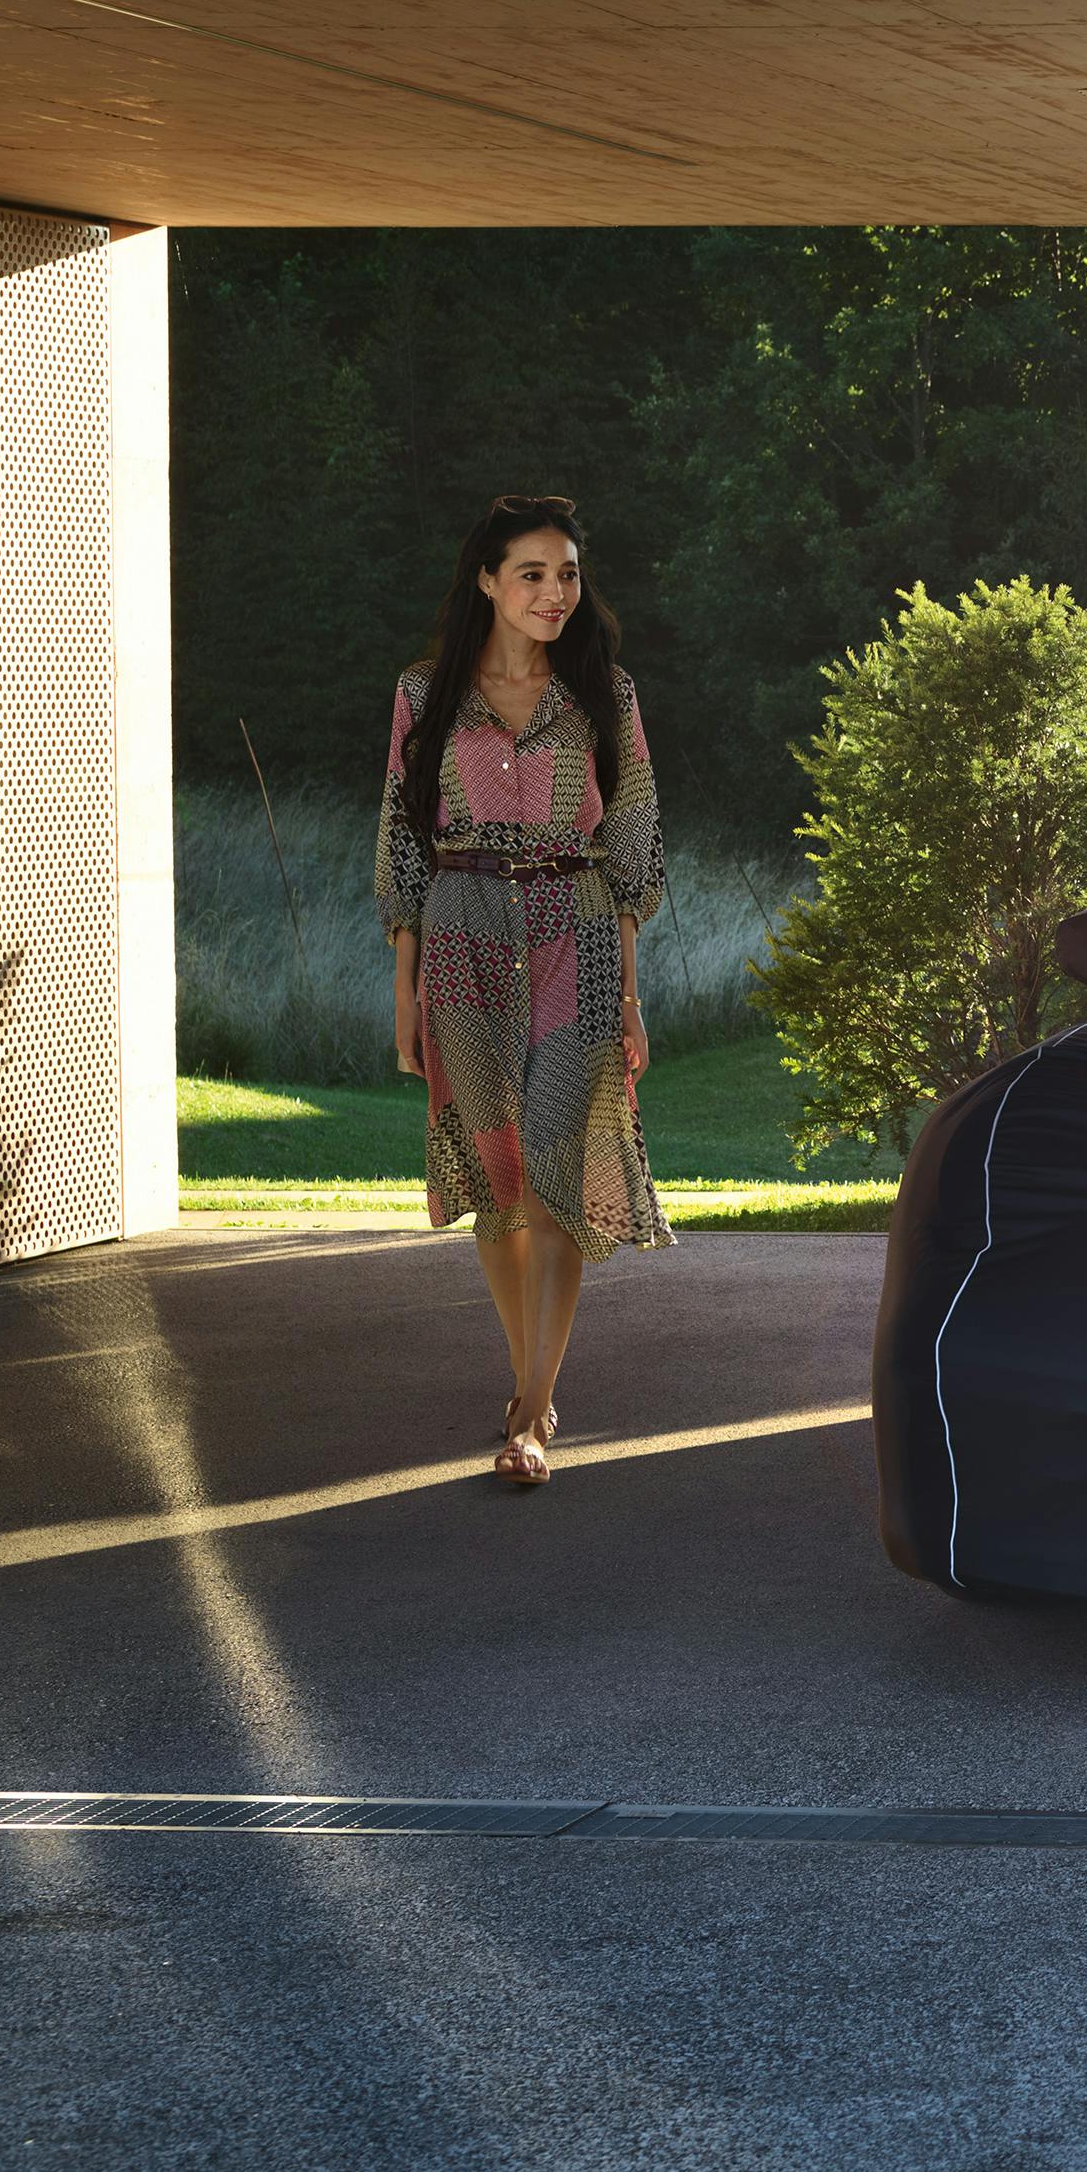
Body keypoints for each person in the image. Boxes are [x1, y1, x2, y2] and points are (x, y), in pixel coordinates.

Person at [377, 494, 673, 1487]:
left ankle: (536, 1409)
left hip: (578, 929)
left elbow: (631, 843)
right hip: (460, 932)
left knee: (557, 1172)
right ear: (489, 582)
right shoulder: (425, 695)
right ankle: (527, 1380)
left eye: (570, 574)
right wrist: (404, 988)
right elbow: (402, 840)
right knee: (501, 1186)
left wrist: (629, 991)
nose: (556, 593)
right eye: (535, 574)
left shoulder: (604, 694)